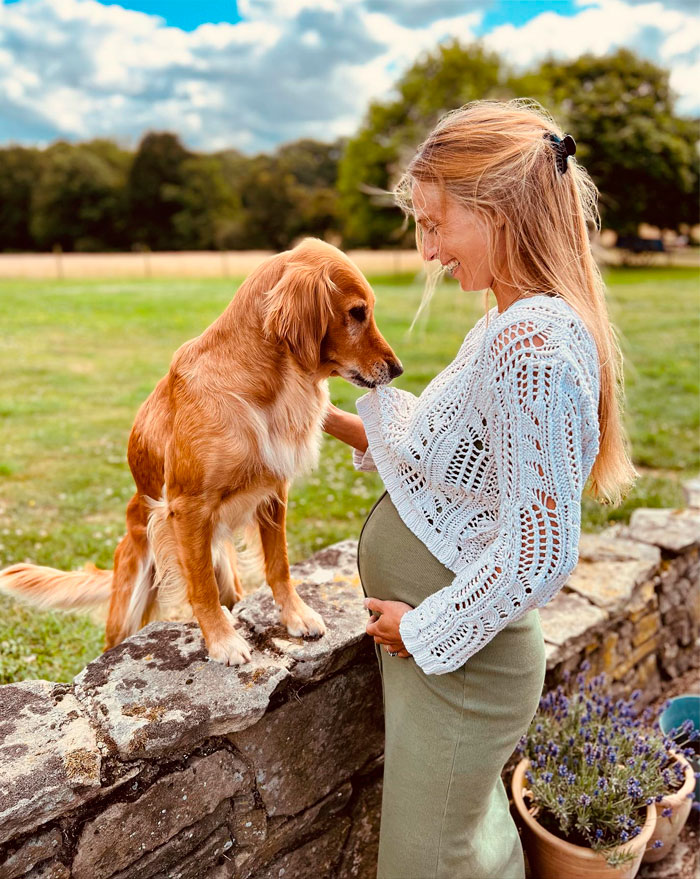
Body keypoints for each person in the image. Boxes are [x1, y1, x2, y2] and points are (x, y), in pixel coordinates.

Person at [322, 98, 638, 879]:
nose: (427, 251)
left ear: (497, 211)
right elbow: (437, 454)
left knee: (426, 863)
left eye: (435, 224)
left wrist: (424, 630)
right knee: (469, 845)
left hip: (462, 661)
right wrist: (312, 413)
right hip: (448, 656)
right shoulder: (510, 323)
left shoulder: (532, 343)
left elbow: (541, 550)